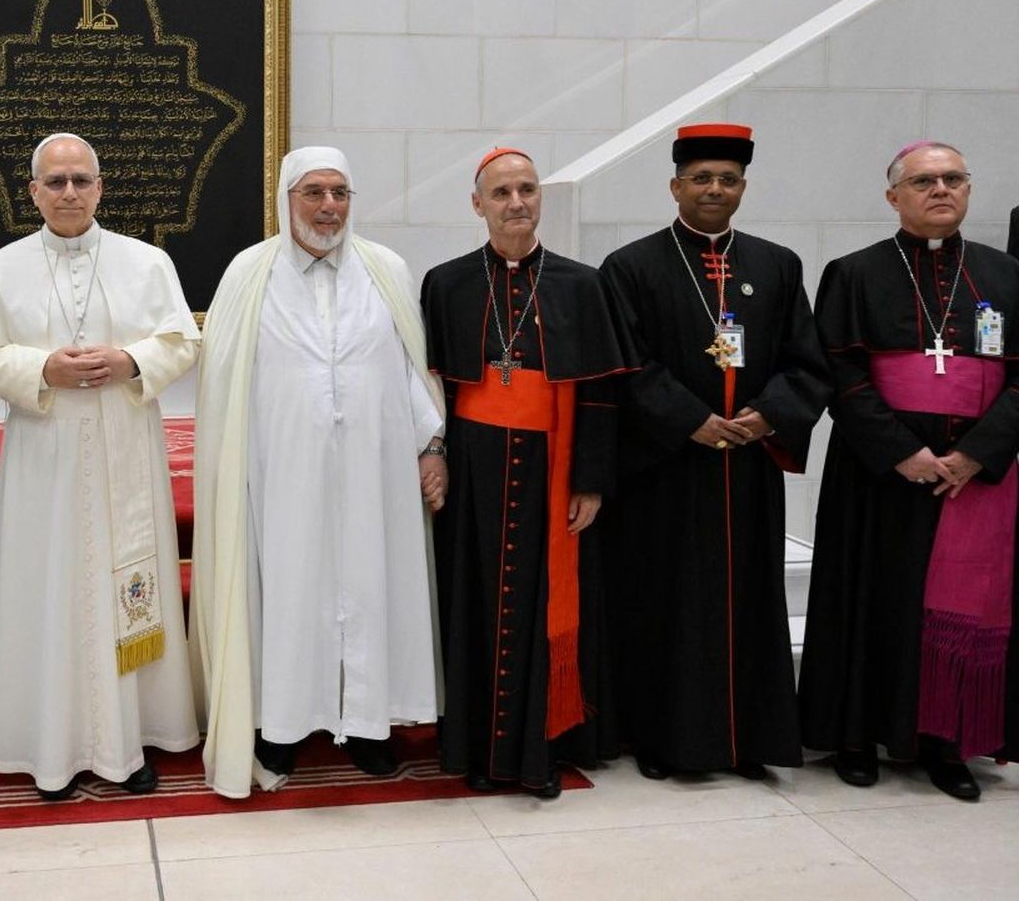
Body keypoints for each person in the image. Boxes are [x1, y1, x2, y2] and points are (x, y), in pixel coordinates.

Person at [191, 146, 446, 799]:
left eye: (340, 193)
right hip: (282, 478)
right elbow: (222, 385)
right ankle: (280, 727)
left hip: (374, 474)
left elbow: (408, 368)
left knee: (369, 586)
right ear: (286, 198)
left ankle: (367, 727)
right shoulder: (248, 274)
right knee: (290, 594)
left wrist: (431, 444)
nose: (328, 206)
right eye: (314, 192)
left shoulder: (385, 269)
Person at [0, 132, 200, 799]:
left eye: (80, 180)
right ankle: (51, 748)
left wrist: (130, 360)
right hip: (45, 454)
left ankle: (133, 739)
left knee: (126, 585)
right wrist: (43, 367)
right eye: (54, 182)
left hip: (126, 447)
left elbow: (182, 340)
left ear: (100, 186)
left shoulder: (147, 263)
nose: (67, 192)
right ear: (31, 191)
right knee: (51, 589)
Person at [598, 123, 830, 781]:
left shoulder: (777, 264)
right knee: (665, 604)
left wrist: (769, 417)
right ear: (675, 186)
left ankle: (746, 739)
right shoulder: (631, 266)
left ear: (743, 188)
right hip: (666, 471)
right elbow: (626, 366)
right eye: (701, 177)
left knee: (747, 603)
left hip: (748, 469)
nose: (714, 189)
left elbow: (806, 362)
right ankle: (666, 741)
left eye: (727, 179)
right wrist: (690, 420)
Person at [800, 141, 1019, 801]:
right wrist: (902, 450)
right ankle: (858, 736)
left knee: (954, 610)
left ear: (969, 189)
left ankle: (944, 744)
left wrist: (976, 452)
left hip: (974, 471)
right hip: (881, 469)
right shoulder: (854, 271)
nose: (940, 190)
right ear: (893, 196)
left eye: (953, 178)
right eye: (924, 181)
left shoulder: (1007, 274)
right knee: (871, 598)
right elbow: (837, 368)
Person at [419, 148, 629, 798]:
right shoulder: (446, 282)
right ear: (478, 203)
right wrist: (435, 453)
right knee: (476, 601)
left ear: (540, 199)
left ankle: (540, 749)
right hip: (474, 474)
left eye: (527, 190)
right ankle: (479, 749)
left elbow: (599, 391)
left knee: (542, 606)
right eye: (502, 192)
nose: (517, 202)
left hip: (552, 467)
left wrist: (589, 478)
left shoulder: (582, 283)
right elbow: (430, 386)